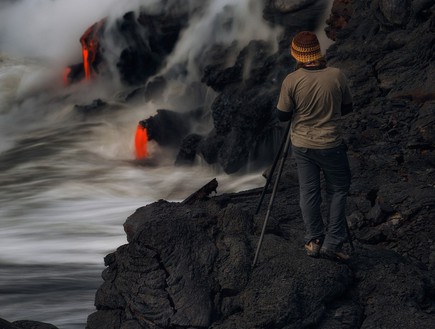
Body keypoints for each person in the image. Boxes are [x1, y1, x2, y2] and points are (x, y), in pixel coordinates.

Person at [276, 31, 353, 261]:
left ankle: (313, 241)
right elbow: (347, 108)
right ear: (318, 51)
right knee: (338, 190)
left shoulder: (291, 80)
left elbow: (282, 115)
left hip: (302, 145)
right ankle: (333, 242)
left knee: (309, 191)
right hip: (331, 143)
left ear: (296, 55)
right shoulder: (337, 75)